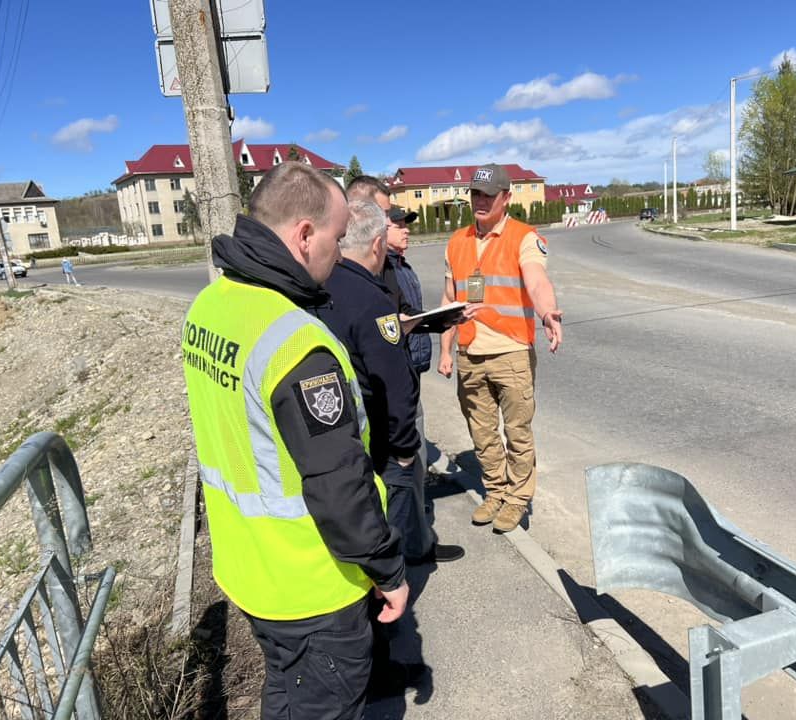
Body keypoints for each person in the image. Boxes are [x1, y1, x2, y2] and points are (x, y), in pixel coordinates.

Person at [181, 162, 408, 720]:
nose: (339, 252)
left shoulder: (211, 305)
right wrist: (389, 571)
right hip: (313, 588)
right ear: (305, 235)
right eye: (334, 237)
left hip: (249, 570)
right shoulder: (295, 343)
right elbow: (339, 484)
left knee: (285, 693)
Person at [319, 200, 462, 565]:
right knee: (390, 524)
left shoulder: (321, 285)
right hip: (381, 438)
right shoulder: (371, 299)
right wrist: (404, 451)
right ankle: (391, 594)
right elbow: (393, 383)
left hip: (344, 432)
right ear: (378, 243)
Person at [438, 163, 563, 533]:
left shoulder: (524, 238)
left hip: (511, 353)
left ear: (505, 198)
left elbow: (536, 279)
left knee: (518, 433)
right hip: (470, 353)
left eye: (488, 195)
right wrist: (446, 350)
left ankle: (517, 500)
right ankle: (495, 491)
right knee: (482, 431)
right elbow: (450, 298)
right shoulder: (456, 241)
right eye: (475, 194)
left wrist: (547, 312)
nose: (480, 201)